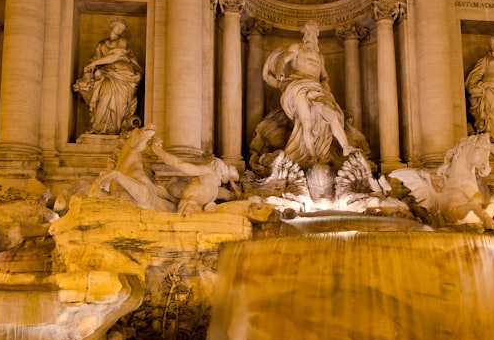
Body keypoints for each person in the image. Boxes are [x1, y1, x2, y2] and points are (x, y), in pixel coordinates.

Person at [262, 21, 357, 168]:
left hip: (317, 89)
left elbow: (324, 76)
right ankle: (312, 156)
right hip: (298, 85)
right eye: (309, 32)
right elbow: (282, 60)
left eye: (315, 33)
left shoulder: (319, 55)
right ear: (304, 33)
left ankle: (345, 146)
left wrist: (326, 89)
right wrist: (280, 71)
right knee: (305, 122)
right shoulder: (296, 48)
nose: (312, 35)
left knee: (332, 114)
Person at [74, 18, 142, 134]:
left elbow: (115, 55)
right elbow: (95, 59)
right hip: (106, 74)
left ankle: (114, 128)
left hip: (122, 75)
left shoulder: (122, 41)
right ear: (112, 26)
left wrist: (95, 64)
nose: (120, 30)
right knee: (104, 97)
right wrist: (89, 69)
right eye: (118, 27)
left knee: (119, 103)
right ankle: (98, 126)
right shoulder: (101, 44)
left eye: (122, 29)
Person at [151, 139, 240, 213]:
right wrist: (158, 151)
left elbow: (179, 164)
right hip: (189, 208)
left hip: (194, 209)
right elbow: (179, 164)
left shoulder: (215, 187)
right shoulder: (209, 174)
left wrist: (234, 188)